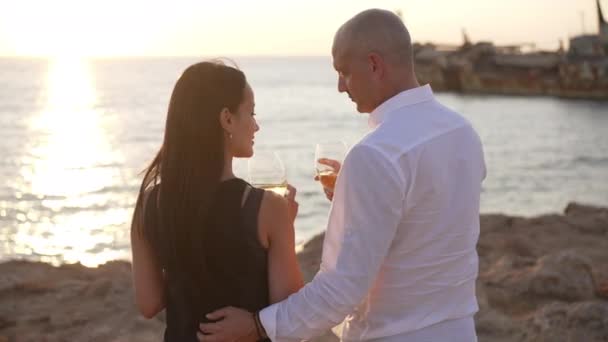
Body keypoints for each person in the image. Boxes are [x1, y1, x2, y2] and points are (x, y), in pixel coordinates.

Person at [197, 8, 486, 342]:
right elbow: (430, 218)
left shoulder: (375, 155)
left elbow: (341, 287)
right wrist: (352, 196)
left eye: (344, 72)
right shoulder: (462, 132)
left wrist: (259, 325)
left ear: (374, 65)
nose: (339, 86)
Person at [130, 60, 304, 342]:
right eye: (251, 112)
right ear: (227, 119)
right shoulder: (266, 208)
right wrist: (284, 229)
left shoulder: (149, 202)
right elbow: (290, 316)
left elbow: (149, 303)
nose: (256, 126)